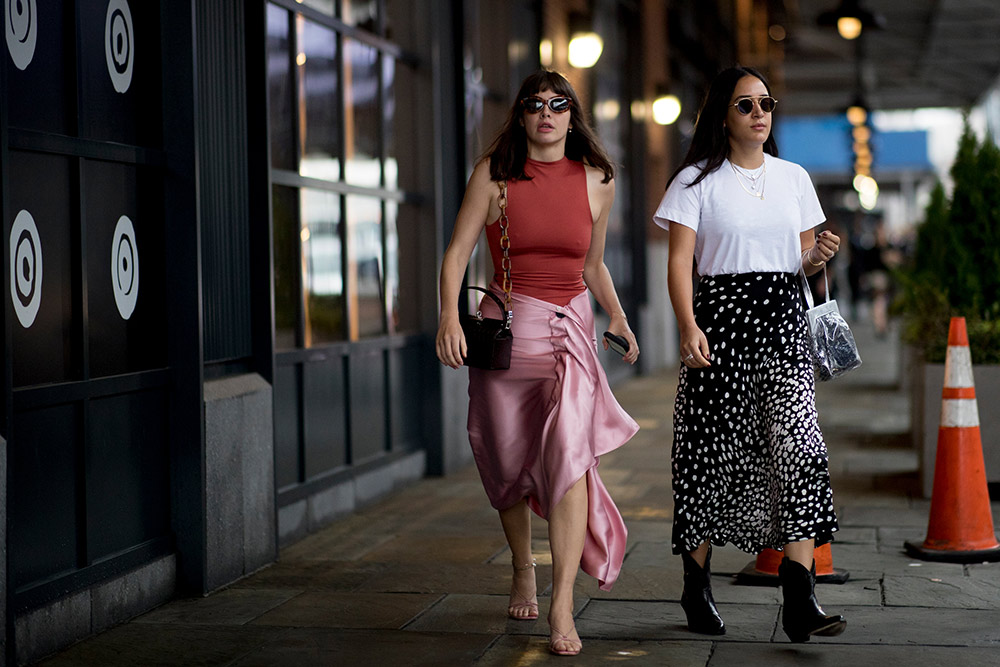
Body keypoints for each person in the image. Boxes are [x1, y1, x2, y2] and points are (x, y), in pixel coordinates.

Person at [436, 70, 640, 657]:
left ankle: (560, 605)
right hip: (506, 338)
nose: (546, 114)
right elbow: (456, 253)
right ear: (521, 116)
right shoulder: (494, 176)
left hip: (571, 336)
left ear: (573, 115)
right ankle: (523, 566)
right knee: (504, 462)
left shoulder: (599, 180)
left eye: (557, 105)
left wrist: (619, 318)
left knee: (569, 461)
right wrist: (449, 318)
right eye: (534, 105)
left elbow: (593, 265)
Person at [653, 66, 847, 643]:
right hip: (720, 326)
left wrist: (818, 257)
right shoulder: (695, 181)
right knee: (709, 457)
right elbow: (679, 264)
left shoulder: (794, 178)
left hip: (785, 325)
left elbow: (804, 262)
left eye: (767, 102)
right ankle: (695, 584)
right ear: (722, 115)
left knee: (801, 448)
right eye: (746, 104)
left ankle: (799, 594)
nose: (761, 113)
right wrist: (686, 325)